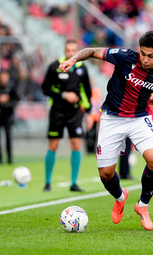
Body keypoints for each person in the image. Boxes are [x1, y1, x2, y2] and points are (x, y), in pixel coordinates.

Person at [59, 31, 153, 231]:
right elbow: (91, 51)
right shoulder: (124, 56)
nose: (145, 59)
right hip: (112, 118)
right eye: (143, 54)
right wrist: (73, 59)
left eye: (151, 56)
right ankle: (120, 197)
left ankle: (143, 206)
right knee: (106, 174)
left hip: (140, 118)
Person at [42, 40, 93, 192]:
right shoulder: (54, 67)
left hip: (75, 113)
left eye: (73, 50)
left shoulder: (82, 68)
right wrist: (64, 95)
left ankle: (74, 183)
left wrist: (89, 113)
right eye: (68, 50)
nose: (71, 53)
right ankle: (47, 182)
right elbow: (45, 88)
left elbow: (86, 92)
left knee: (76, 145)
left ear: (77, 52)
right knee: (53, 145)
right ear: (64, 51)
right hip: (57, 112)